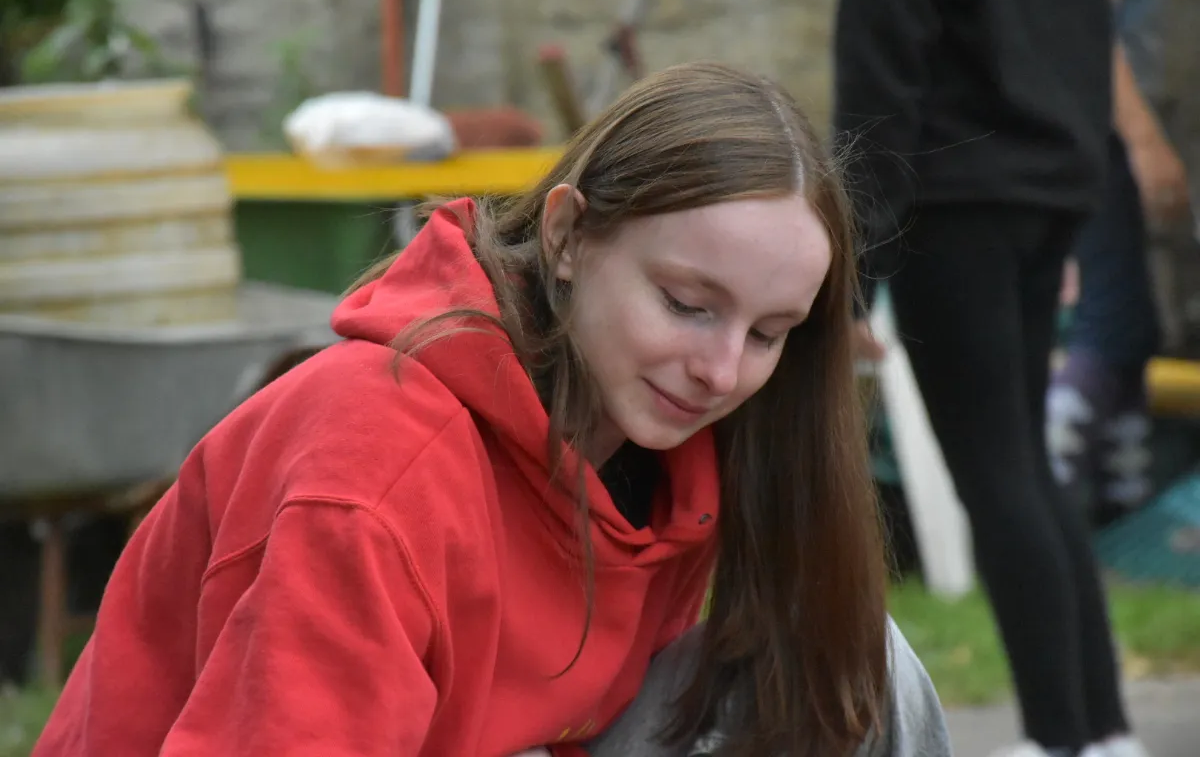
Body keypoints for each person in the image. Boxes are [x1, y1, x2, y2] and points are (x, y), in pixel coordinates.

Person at [33, 62, 949, 757]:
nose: (720, 371)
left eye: (768, 334)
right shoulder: (373, 467)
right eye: (686, 304)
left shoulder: (671, 450)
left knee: (854, 664)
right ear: (567, 235)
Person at [833, 0, 1151, 756]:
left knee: (996, 472)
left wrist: (850, 281)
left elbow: (879, 77)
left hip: (956, 201)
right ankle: (1101, 732)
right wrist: (1073, 192)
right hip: (1049, 188)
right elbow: (1087, 39)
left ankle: (1057, 737)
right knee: (1024, 464)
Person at [1047, 0, 1192, 526]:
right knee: (1110, 325)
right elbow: (1083, 12)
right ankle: (1044, 506)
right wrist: (1144, 142)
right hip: (1122, 135)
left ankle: (1122, 515)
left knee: (1136, 333)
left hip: (1159, 129)